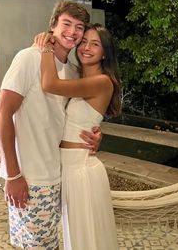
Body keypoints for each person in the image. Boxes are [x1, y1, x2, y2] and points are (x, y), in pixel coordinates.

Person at [0, 0, 102, 250]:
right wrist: (13, 175)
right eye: (66, 24)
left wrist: (96, 135)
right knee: (35, 245)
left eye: (79, 27)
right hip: (30, 176)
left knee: (47, 243)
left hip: (56, 173)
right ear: (53, 25)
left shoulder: (73, 71)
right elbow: (2, 114)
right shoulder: (29, 58)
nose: (72, 32)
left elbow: (73, 117)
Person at [37, 23, 122, 250]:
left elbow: (49, 84)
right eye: (83, 41)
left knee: (87, 240)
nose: (86, 47)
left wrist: (46, 47)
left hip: (82, 171)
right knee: (76, 237)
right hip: (68, 168)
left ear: (105, 53)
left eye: (95, 44)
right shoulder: (76, 76)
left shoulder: (102, 82)